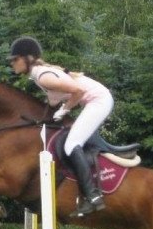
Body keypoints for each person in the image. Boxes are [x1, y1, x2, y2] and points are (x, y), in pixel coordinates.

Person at [8, 36, 113, 217]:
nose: (12, 64)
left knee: (71, 144)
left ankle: (93, 196)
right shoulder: (39, 74)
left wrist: (64, 110)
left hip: (99, 100)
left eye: (15, 59)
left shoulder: (43, 76)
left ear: (28, 59)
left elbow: (78, 91)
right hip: (92, 101)